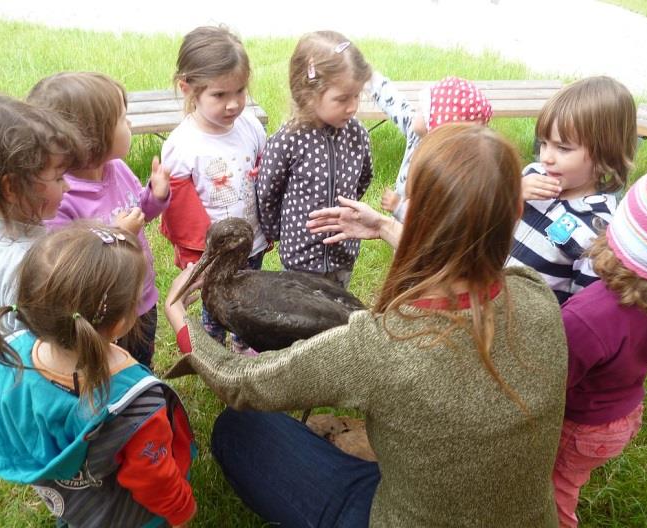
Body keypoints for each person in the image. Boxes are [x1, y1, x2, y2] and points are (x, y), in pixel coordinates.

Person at [167, 123, 568, 527]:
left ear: (417, 214)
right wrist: (385, 227)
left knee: (240, 428)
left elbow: (239, 380)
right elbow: (468, 262)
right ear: (516, 211)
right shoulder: (540, 300)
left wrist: (181, 318)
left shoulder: (383, 346)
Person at [0, 224, 197, 528]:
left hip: (76, 507)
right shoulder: (136, 402)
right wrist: (182, 510)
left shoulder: (12, 356)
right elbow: (154, 477)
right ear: (121, 322)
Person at [27, 72, 170, 368]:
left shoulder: (116, 168)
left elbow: (137, 215)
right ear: (91, 138)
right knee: (106, 369)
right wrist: (116, 235)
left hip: (140, 296)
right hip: (102, 315)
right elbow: (68, 265)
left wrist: (154, 198)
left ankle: (143, 393)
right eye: (122, 118)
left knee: (142, 361)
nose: (129, 124)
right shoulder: (61, 198)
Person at [0, 91, 83, 374]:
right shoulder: (30, 262)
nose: (68, 187)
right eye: (58, 178)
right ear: (11, 188)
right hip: (33, 375)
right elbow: (52, 338)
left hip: (1, 360)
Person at [552, 170, 647, 527]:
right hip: (623, 413)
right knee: (574, 476)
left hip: (583, 425)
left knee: (555, 492)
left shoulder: (586, 316)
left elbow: (550, 381)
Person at [160, 26, 268, 354]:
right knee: (215, 301)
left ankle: (243, 340)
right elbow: (180, 211)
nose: (233, 104)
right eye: (219, 95)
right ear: (188, 88)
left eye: (240, 91)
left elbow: (264, 170)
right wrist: (197, 257)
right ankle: (213, 345)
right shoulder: (183, 144)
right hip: (213, 253)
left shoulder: (250, 126)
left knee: (247, 295)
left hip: (252, 241)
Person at [257, 30, 374, 289]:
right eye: (342, 98)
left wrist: (348, 210)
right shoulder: (289, 139)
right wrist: (279, 232)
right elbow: (267, 192)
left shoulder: (357, 134)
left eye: (356, 95)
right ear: (307, 92)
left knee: (337, 315)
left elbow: (363, 178)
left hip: (344, 252)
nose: (353, 106)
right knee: (302, 319)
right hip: (300, 258)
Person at [506, 76, 637, 304]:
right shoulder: (531, 175)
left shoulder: (598, 227)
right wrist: (509, 193)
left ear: (605, 155)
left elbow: (580, 304)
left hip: (527, 327)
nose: (546, 157)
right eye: (544, 143)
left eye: (563, 148)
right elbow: (486, 224)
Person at [369, 72, 493, 221]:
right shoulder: (416, 134)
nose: (417, 110)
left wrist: (399, 207)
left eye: (424, 109)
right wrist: (367, 75)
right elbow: (394, 103)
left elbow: (430, 225)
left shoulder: (444, 174)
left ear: (436, 127)